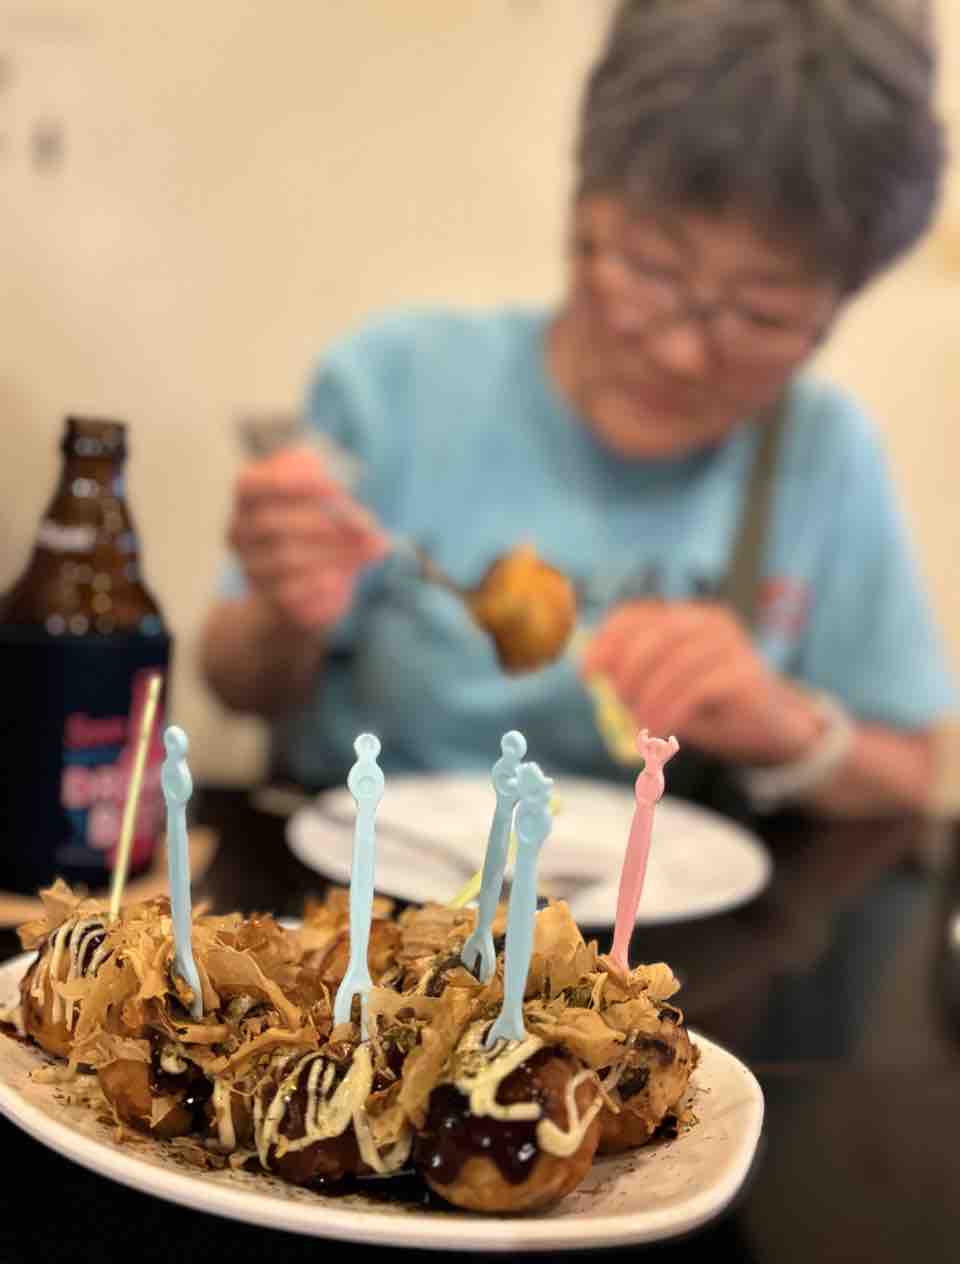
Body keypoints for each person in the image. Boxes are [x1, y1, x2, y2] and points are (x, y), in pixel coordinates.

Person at [202, 0, 955, 816]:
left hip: (663, 891)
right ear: (580, 207)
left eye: (762, 316)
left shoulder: (821, 454)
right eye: (652, 269)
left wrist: (784, 724)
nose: (682, 352)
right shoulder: (394, 382)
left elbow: (912, 774)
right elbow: (238, 682)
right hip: (365, 869)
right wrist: (286, 610)